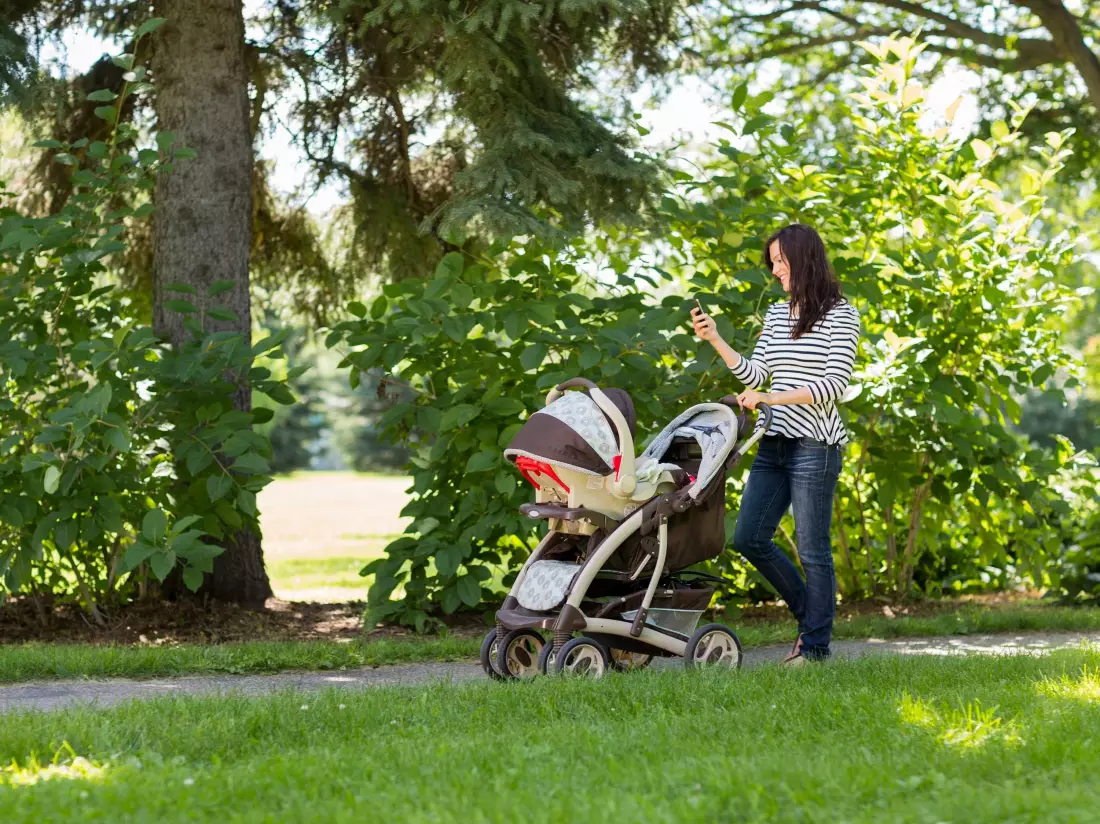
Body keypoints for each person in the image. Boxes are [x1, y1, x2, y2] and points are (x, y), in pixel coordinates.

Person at [691, 223, 860, 665]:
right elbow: (755, 373)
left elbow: (833, 385)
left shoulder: (842, 314)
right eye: (772, 263)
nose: (776, 271)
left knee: (812, 549)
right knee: (749, 538)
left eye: (781, 262)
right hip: (775, 444)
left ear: (804, 259)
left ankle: (816, 648)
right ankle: (812, 616)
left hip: (815, 446)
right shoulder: (779, 314)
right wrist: (715, 339)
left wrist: (772, 397)